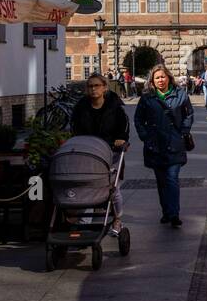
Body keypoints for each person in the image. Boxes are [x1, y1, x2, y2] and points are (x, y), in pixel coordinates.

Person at [133, 64, 194, 228]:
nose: (160, 80)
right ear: (152, 80)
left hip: (175, 143)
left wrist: (183, 132)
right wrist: (145, 137)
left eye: (163, 76)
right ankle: (166, 211)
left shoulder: (180, 94)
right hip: (155, 145)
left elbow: (189, 114)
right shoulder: (147, 97)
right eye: (157, 77)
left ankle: (174, 214)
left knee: (172, 179)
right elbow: (138, 119)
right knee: (161, 181)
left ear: (169, 78)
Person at [71, 72, 130, 234]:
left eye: (96, 85)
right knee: (89, 185)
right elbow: (75, 128)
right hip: (89, 153)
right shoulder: (81, 107)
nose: (93, 89)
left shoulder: (115, 108)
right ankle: (84, 222)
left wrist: (121, 139)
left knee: (113, 188)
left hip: (111, 152)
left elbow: (124, 129)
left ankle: (117, 219)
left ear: (104, 87)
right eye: (90, 86)